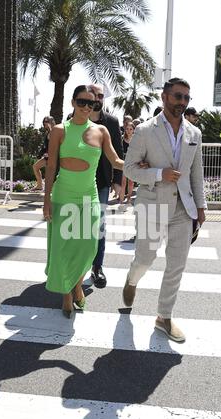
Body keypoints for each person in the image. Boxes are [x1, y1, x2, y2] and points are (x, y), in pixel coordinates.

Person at [122, 77, 207, 343]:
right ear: (165, 96)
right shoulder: (146, 131)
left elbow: (196, 173)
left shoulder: (194, 133)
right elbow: (129, 168)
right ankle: (132, 280)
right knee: (145, 258)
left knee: (176, 265)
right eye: (177, 96)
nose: (182, 102)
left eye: (186, 98)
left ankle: (164, 316)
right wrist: (159, 173)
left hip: (184, 208)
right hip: (151, 204)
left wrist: (201, 207)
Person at [43, 85, 124, 317]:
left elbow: (116, 160)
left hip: (89, 194)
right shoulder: (60, 130)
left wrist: (137, 165)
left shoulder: (101, 131)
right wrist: (46, 200)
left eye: (92, 103)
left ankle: (78, 283)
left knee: (88, 245)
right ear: (72, 103)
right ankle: (67, 293)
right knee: (65, 246)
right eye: (82, 102)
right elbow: (50, 167)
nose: (87, 107)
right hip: (63, 194)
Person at [88, 83, 124, 288]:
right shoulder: (74, 119)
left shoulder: (111, 121)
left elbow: (118, 151)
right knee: (78, 224)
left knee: (98, 225)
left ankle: (97, 267)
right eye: (95, 95)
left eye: (101, 95)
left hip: (101, 182)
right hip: (77, 181)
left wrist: (118, 181)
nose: (98, 98)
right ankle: (78, 266)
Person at [32, 116, 55, 191]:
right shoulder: (48, 132)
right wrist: (40, 154)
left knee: (51, 173)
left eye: (47, 122)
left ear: (52, 122)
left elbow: (55, 144)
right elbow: (45, 146)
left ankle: (51, 189)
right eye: (45, 122)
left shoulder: (56, 131)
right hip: (48, 157)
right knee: (35, 167)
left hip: (54, 157)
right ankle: (39, 185)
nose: (46, 124)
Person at [119, 121, 135, 204]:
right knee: (123, 181)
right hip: (123, 161)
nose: (128, 131)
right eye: (127, 129)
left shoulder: (136, 140)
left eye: (131, 129)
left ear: (133, 130)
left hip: (132, 162)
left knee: (131, 182)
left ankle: (129, 198)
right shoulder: (122, 139)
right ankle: (121, 200)